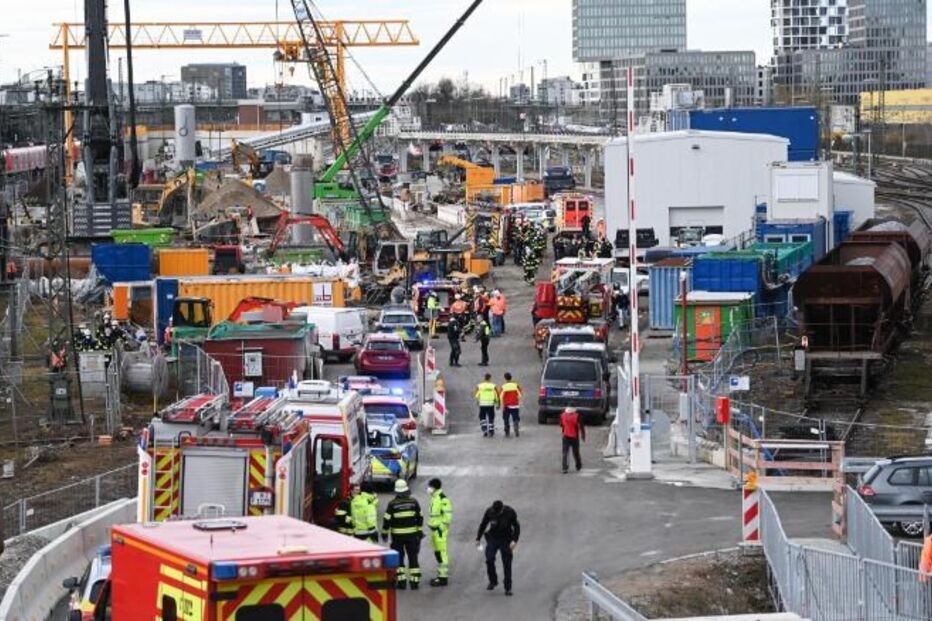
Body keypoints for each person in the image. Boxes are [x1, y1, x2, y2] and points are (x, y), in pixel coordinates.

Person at [382, 479, 424, 590]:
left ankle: (402, 582)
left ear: (396, 491)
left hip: (397, 537)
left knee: (399, 559)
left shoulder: (392, 504)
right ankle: (414, 582)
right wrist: (419, 530)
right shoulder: (414, 502)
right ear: (406, 490)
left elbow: (387, 520)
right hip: (412, 536)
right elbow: (420, 517)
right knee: (413, 557)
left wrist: (384, 534)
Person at [475, 500, 520, 596]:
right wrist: (478, 538)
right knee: (489, 558)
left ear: (502, 509)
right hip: (493, 538)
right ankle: (493, 581)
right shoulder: (489, 512)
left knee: (507, 563)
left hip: (506, 539)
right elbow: (483, 524)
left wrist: (514, 541)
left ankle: (508, 587)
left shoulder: (510, 512)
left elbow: (516, 527)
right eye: (495, 512)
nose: (497, 514)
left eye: (498, 512)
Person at [427, 478, 453, 587]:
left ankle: (443, 578)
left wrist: (440, 529)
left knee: (442, 553)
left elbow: (448, 518)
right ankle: (440, 575)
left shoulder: (443, 499)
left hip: (439, 531)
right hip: (435, 531)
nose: (428, 489)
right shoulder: (435, 497)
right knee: (438, 553)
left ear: (434, 487)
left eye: (430, 486)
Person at [559, 406, 586, 473]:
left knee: (565, 452)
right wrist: (583, 435)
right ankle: (578, 466)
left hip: (565, 436)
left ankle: (564, 468)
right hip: (574, 436)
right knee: (576, 452)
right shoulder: (577, 416)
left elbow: (561, 425)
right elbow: (581, 426)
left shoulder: (562, 415)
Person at [474, 373, 499, 437]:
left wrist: (478, 400)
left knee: (482, 417)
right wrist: (497, 403)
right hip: (490, 404)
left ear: (484, 378)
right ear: (490, 378)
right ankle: (491, 431)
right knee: (491, 417)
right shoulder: (493, 386)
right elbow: (497, 395)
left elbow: (476, 394)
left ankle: (484, 429)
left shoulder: (479, 386)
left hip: (482, 404)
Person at [498, 373, 523, 438]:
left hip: (507, 405)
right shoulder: (516, 385)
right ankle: (516, 428)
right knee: (515, 418)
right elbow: (520, 395)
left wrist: (500, 403)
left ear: (505, 378)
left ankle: (507, 431)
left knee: (506, 418)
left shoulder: (503, 386)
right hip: (515, 405)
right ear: (511, 377)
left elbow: (500, 396)